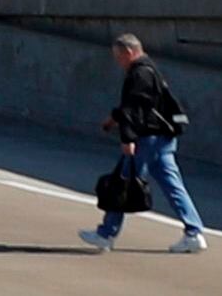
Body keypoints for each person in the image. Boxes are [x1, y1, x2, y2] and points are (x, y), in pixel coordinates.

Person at [84, 32, 205, 254]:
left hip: (147, 138)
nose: (118, 62)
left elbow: (135, 109)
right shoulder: (151, 70)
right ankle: (194, 232)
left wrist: (127, 137)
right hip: (163, 138)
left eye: (119, 57)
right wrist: (114, 117)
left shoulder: (139, 74)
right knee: (172, 184)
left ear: (129, 52)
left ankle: (106, 234)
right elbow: (142, 105)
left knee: (122, 182)